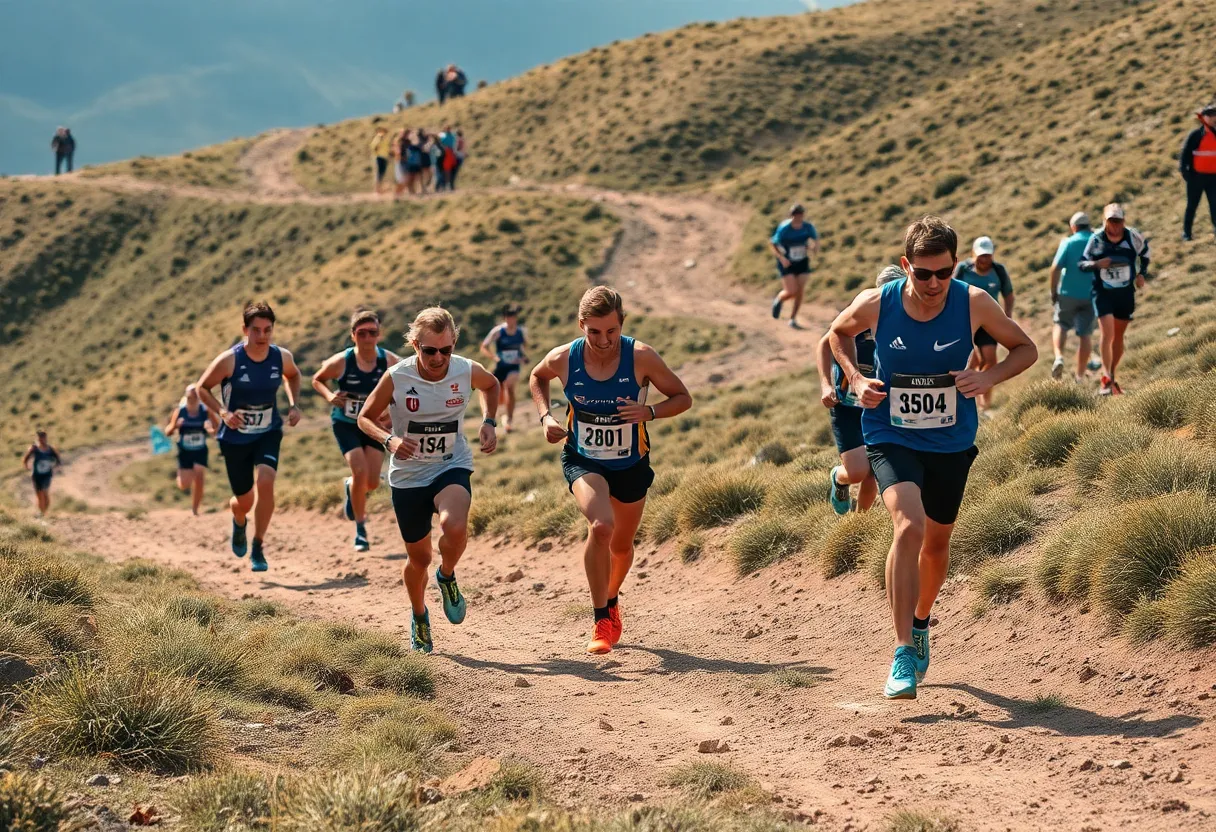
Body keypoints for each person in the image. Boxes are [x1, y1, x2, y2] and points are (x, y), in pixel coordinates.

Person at [828, 216, 1036, 700]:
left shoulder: (974, 302)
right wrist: (855, 382)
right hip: (889, 432)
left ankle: (921, 621)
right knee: (909, 526)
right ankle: (902, 650)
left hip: (951, 439)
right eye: (924, 274)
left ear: (955, 267)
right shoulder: (878, 303)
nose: (934, 283)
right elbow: (837, 333)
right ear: (906, 267)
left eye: (943, 272)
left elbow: (1025, 349)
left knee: (937, 544)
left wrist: (989, 378)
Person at [530, 287, 693, 655]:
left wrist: (649, 412)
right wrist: (545, 417)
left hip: (631, 463)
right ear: (581, 325)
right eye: (594, 332)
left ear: (621, 325)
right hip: (583, 459)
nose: (604, 340)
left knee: (621, 546)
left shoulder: (641, 357)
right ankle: (601, 617)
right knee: (601, 526)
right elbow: (536, 378)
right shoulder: (563, 358)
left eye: (611, 332)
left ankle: (613, 598)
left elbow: (683, 398)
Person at [356, 308, 499, 654]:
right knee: (418, 560)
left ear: (453, 345)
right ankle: (419, 614)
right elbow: (364, 418)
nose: (438, 358)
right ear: (415, 345)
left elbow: (491, 385)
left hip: (450, 465)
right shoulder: (397, 376)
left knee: (454, 526)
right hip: (408, 477)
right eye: (429, 350)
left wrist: (489, 421)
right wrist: (389, 440)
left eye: (445, 350)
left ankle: (447, 575)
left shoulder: (465, 370)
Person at [195, 302, 302, 571]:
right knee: (244, 501)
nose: (262, 336)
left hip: (268, 431)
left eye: (267, 330)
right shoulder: (230, 360)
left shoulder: (281, 357)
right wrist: (222, 412)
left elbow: (294, 375)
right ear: (245, 330)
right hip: (234, 437)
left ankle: (258, 546)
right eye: (256, 330)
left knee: (266, 482)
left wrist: (293, 403)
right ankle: (239, 520)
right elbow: (202, 388)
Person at [815, 265, 904, 515]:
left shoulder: (905, 323)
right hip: (845, 405)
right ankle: (838, 478)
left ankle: (859, 524)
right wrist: (825, 385)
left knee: (873, 472)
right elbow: (824, 346)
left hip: (878, 406)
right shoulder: (858, 315)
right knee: (857, 472)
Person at [312, 310, 402, 552]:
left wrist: (392, 414)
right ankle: (361, 530)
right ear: (353, 335)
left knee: (371, 482)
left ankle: (352, 486)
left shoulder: (390, 360)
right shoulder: (343, 361)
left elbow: (406, 386)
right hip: (346, 423)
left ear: (379, 334)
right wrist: (330, 395)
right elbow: (317, 379)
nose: (367, 338)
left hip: (373, 424)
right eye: (361, 333)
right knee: (360, 469)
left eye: (372, 333)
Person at [1079, 204, 1150, 396]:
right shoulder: (1096, 239)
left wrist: (1142, 274)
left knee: (1118, 337)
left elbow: (1146, 255)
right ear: (1105, 221)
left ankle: (1111, 376)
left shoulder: (1133, 237)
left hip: (1125, 293)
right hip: (1103, 293)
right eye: (1111, 221)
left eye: (1118, 221)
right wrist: (1097, 264)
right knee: (1107, 334)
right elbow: (1082, 263)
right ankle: (1106, 376)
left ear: (1123, 221)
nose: (1115, 225)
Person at [1049, 212, 1098, 383]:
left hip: (1068, 293)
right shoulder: (1096, 240)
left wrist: (1053, 292)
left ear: (1073, 227)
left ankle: (1059, 357)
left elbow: (1055, 268)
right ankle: (1079, 376)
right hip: (1090, 294)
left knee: (1060, 324)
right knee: (1085, 334)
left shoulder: (1068, 242)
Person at [164, 384, 220, 516]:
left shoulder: (205, 411)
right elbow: (168, 431)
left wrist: (210, 429)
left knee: (200, 476)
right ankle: (186, 477)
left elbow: (217, 430)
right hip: (184, 450)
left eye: (195, 396)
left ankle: (195, 509)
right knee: (184, 484)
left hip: (200, 449)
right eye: (190, 396)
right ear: (186, 397)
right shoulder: (180, 411)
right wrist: (176, 426)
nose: (193, 398)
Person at [770, 204, 819, 329]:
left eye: (800, 215)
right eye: (795, 215)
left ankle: (793, 318)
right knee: (791, 291)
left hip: (802, 261)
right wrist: (782, 258)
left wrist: (814, 248)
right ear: (792, 215)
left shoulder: (807, 227)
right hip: (788, 263)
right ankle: (780, 299)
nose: (798, 218)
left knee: (800, 291)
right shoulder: (784, 228)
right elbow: (773, 243)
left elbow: (815, 240)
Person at [480, 305, 528, 433]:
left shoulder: (520, 332)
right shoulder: (498, 331)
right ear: (505, 319)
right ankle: (496, 417)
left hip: (513, 366)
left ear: (515, 318)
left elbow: (523, 346)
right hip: (500, 366)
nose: (510, 320)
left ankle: (509, 421)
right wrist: (494, 357)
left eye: (512, 318)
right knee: (495, 392)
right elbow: (484, 346)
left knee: (510, 386)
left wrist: (523, 357)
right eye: (508, 318)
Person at [1180, 104, 1216, 242]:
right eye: (1210, 115)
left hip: (1214, 178)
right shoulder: (1196, 135)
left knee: (1215, 205)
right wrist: (1185, 172)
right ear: (1203, 117)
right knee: (1192, 205)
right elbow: (1185, 154)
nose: (1213, 118)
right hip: (1196, 177)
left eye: (1215, 115)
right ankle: (1187, 233)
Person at [22, 430, 62, 516]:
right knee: (39, 495)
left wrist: (56, 467)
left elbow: (58, 459)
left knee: (45, 493)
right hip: (36, 475)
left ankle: (44, 511)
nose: (41, 440)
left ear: (45, 438)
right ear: (37, 439)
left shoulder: (50, 449)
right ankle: (42, 512)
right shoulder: (34, 449)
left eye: (43, 438)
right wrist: (26, 465)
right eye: (39, 438)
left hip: (47, 475)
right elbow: (26, 458)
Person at [370, 126, 391, 195]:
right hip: (378, 157)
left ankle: (380, 189)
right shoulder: (377, 138)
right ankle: (377, 190)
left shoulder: (384, 139)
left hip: (384, 157)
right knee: (378, 174)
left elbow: (387, 148)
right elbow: (374, 147)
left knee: (381, 174)